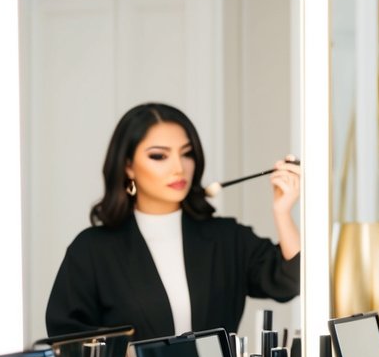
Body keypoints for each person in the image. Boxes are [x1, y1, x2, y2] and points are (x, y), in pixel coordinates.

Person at [46, 102, 300, 344]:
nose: (178, 168)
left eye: (187, 154)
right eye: (159, 156)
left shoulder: (227, 238)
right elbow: (69, 341)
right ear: (128, 166)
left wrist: (282, 211)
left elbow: (291, 281)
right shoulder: (92, 250)